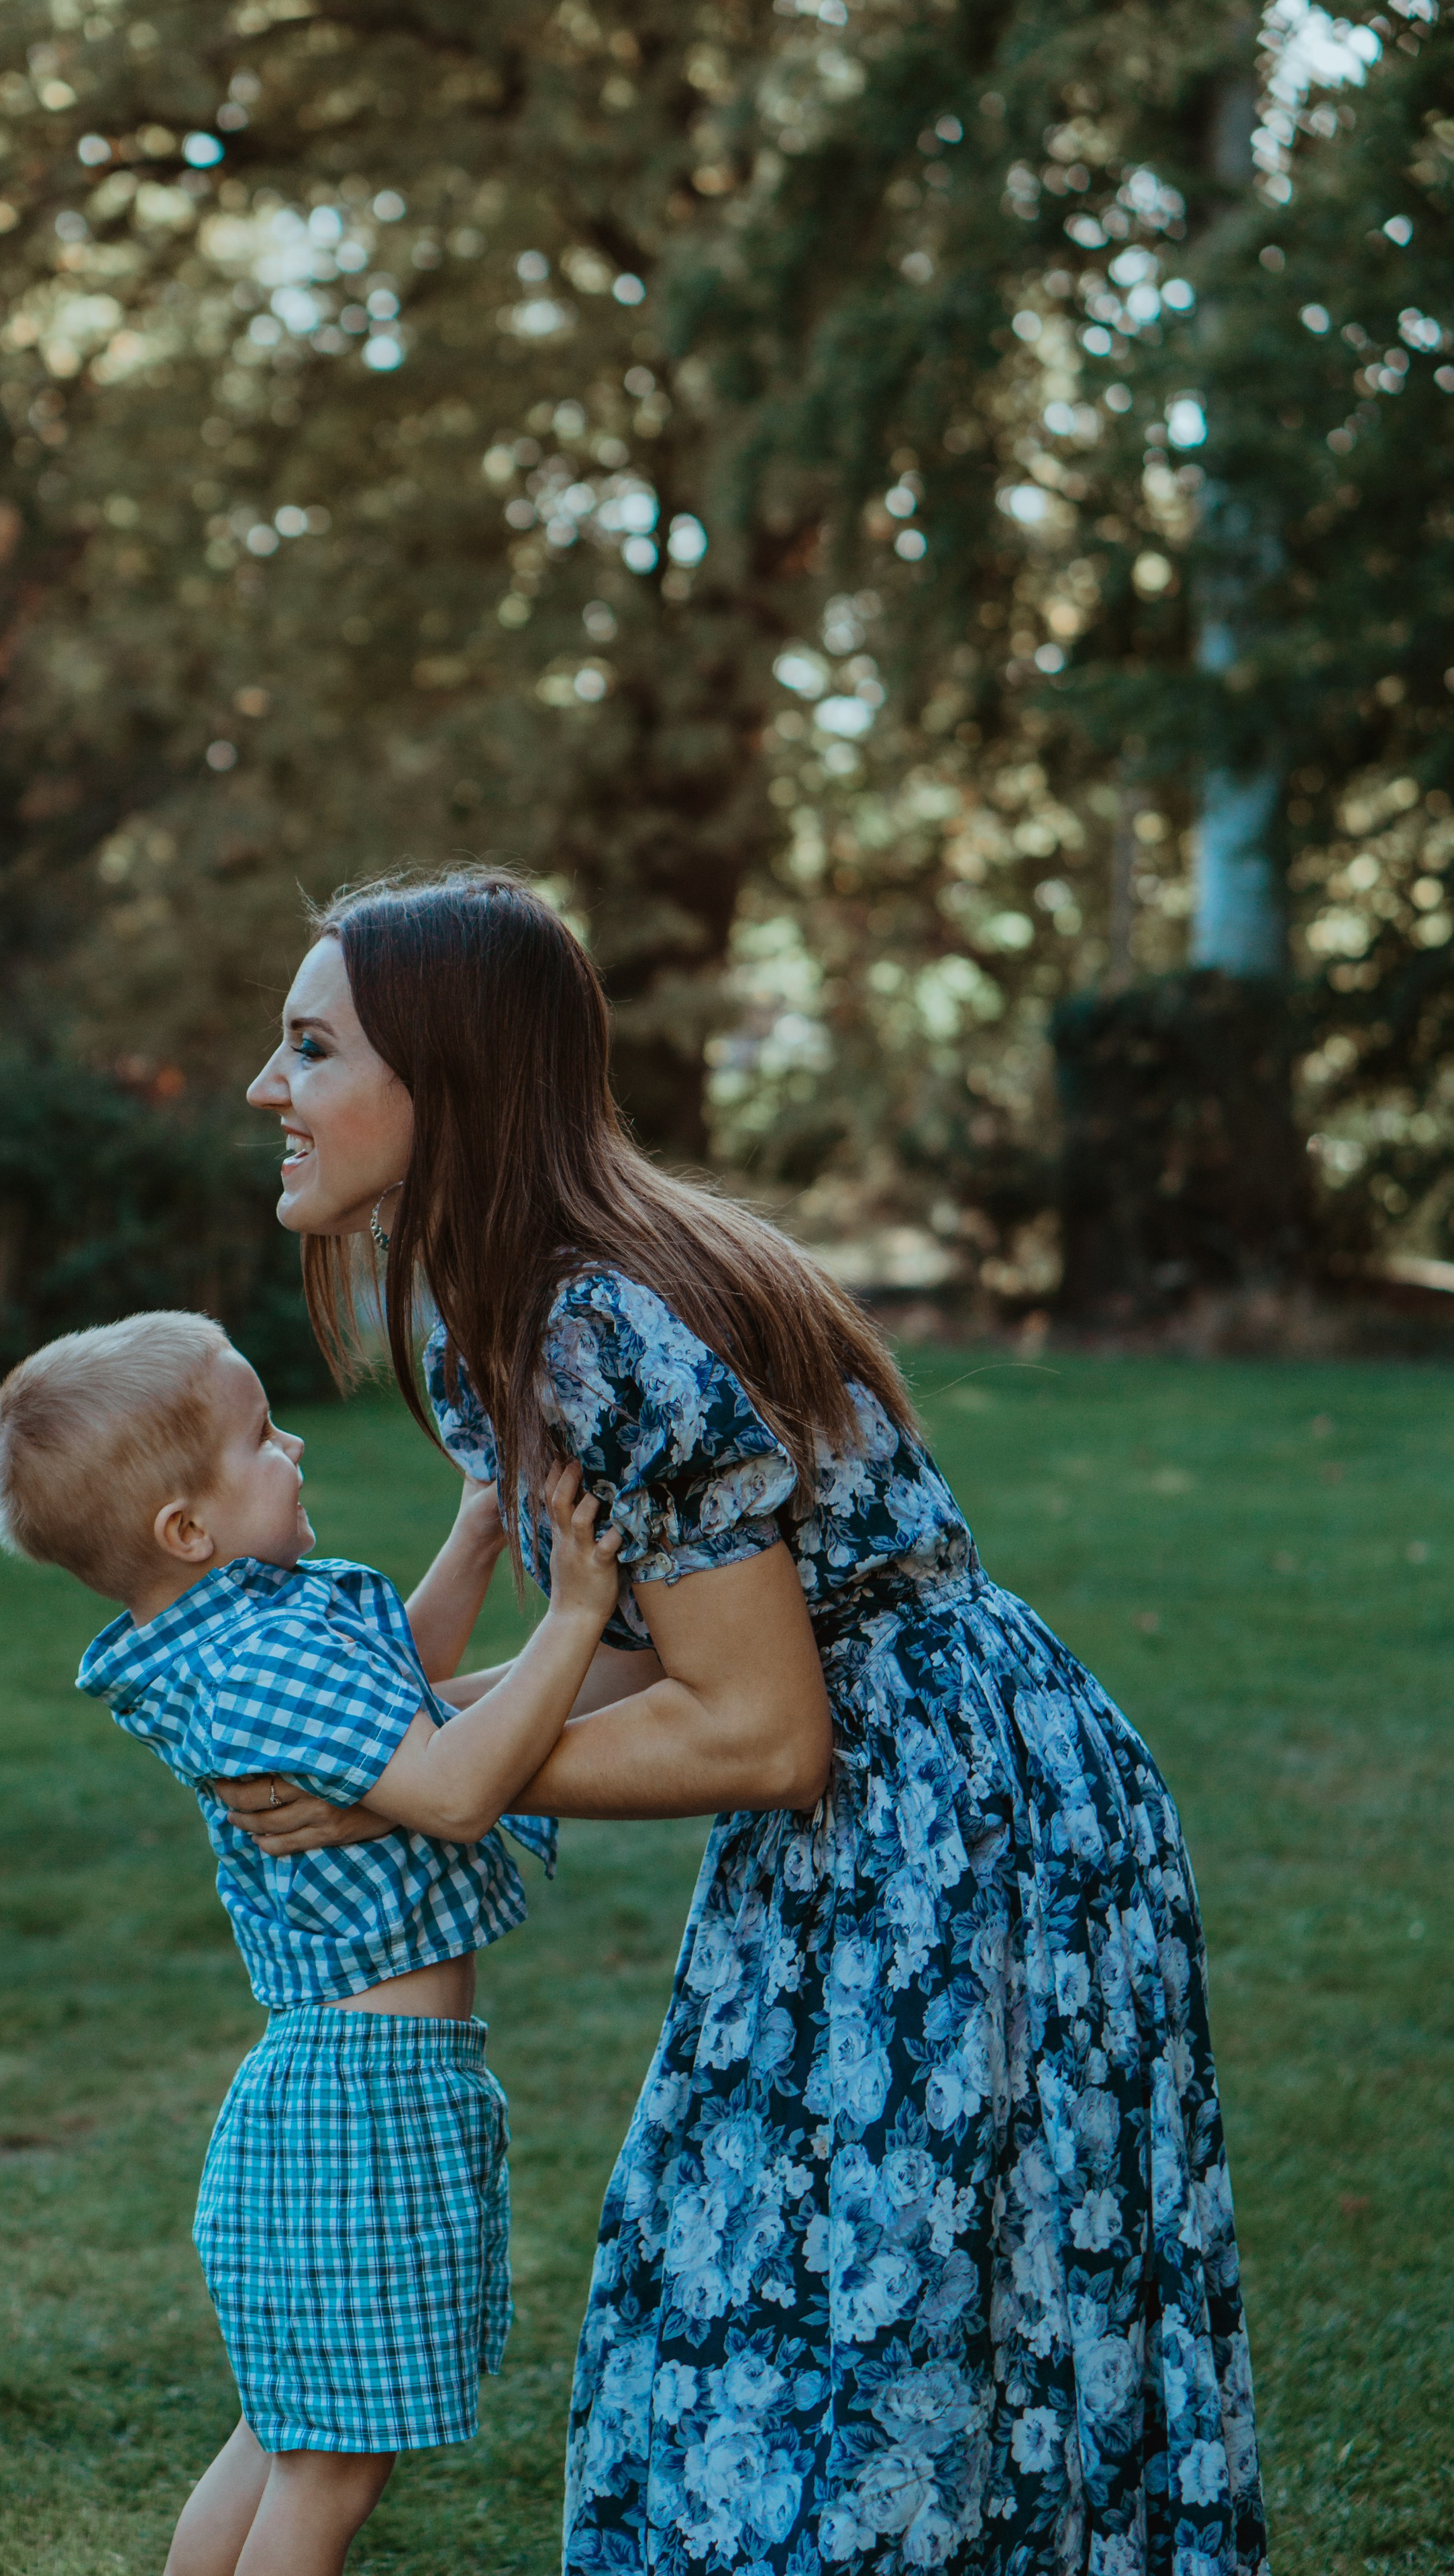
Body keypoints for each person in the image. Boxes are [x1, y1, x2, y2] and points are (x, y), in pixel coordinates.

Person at [219, 869, 1269, 2576]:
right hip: (927, 1803)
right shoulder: (522, 1299)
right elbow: (664, 1650)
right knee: (805, 2335)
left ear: (449, 1083)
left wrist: (414, 1791)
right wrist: (402, 1748)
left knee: (828, 2369)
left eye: (310, 1047)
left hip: (943, 1833)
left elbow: (763, 1729)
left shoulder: (586, 1325)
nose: (270, 1089)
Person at [0, 1307, 623, 2576]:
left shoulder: (250, 1629)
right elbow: (446, 1787)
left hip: (337, 2092)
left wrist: (475, 1539)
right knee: (328, 2469)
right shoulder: (259, 1657)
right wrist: (577, 1614)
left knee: (285, 2439)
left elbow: (392, 1694)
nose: (298, 1447)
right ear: (186, 1531)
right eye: (263, 1437)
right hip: (366, 2105)